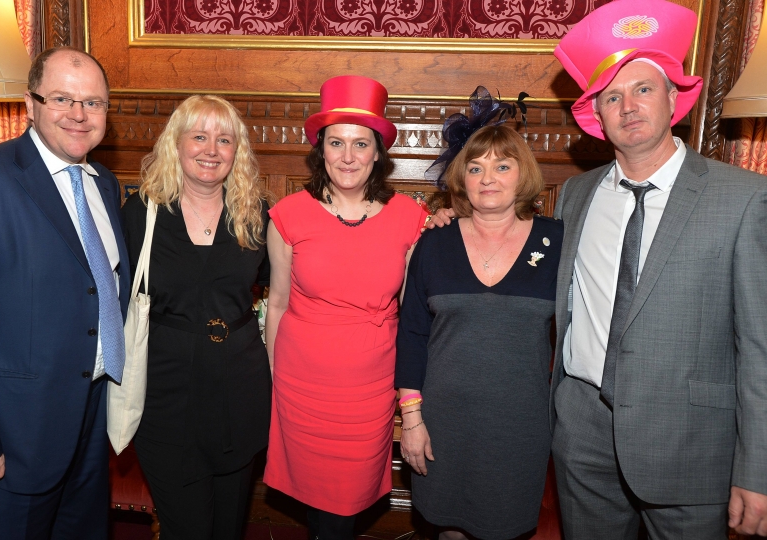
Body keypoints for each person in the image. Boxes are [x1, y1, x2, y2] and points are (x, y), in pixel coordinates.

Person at [549, 1, 767, 537]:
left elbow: (762, 346)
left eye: (643, 89)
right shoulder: (574, 195)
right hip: (584, 436)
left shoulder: (744, 198)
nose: (628, 106)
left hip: (692, 446)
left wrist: (758, 469)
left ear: (674, 97)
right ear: (595, 115)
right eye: (611, 97)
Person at [0, 46, 129, 539]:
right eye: (63, 98)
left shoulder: (105, 184)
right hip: (13, 435)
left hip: (90, 421)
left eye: (94, 103)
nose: (79, 115)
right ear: (30, 103)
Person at [263, 75, 429, 540]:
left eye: (361, 144)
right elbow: (276, 303)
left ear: (378, 152)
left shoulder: (410, 218)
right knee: (322, 509)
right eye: (336, 143)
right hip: (301, 384)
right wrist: (275, 378)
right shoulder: (289, 214)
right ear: (321, 150)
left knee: (346, 501)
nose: (348, 156)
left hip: (369, 388)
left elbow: (413, 313)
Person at [396, 120, 563, 540]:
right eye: (475, 168)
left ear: (522, 175)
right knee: (448, 529)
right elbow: (412, 334)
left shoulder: (558, 240)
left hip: (519, 426)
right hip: (442, 424)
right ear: (461, 179)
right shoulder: (434, 241)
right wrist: (411, 419)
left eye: (503, 166)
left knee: (505, 529)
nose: (488, 178)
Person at [121, 95, 272, 540]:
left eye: (224, 140)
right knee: (187, 528)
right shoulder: (142, 213)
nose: (211, 149)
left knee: (228, 528)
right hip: (166, 397)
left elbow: (288, 290)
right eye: (199, 136)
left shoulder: (255, 214)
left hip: (239, 393)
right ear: (176, 144)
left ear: (236, 152)